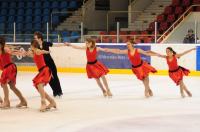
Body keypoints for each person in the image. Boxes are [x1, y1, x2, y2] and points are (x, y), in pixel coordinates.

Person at [27, 40, 56, 112]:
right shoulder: (34, 52)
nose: (30, 47)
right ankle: (52, 102)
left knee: (39, 85)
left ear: (33, 46)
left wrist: (47, 52)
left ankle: (43, 103)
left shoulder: (37, 51)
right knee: (39, 88)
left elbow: (42, 51)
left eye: (31, 46)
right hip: (41, 71)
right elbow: (28, 54)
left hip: (45, 70)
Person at [0, 36, 27, 109]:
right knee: (12, 86)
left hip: (9, 67)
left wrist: (21, 53)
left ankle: (6, 102)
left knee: (3, 83)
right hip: (9, 68)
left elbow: (12, 52)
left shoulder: (5, 48)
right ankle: (23, 101)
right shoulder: (2, 48)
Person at [33, 32, 63, 97]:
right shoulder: (36, 46)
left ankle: (59, 91)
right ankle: (55, 92)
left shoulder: (46, 43)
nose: (34, 39)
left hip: (50, 62)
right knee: (49, 79)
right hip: (44, 65)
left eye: (35, 38)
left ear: (39, 38)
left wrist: (64, 44)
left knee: (55, 76)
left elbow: (55, 45)